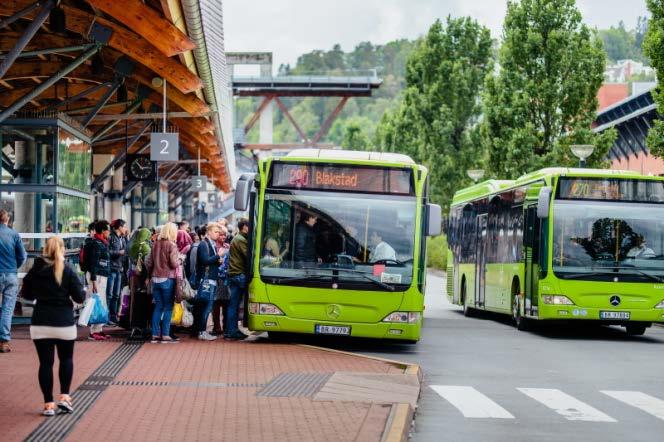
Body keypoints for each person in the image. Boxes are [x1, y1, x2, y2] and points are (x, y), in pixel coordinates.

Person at [21, 236, 85, 416]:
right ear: (62, 249)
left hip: (41, 322)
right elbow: (80, 297)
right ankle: (64, 397)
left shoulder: (36, 269)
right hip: (64, 322)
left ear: (45, 250)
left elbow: (26, 294)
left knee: (45, 364)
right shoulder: (68, 269)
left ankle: (48, 404)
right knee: (66, 360)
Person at [146, 222, 179, 344]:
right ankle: (165, 334)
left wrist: (150, 274)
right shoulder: (172, 245)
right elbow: (174, 264)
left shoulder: (155, 244)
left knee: (158, 307)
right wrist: (180, 260)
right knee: (168, 307)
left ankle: (154, 334)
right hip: (167, 278)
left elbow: (148, 262)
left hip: (155, 279)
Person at [0, 209, 27, 353]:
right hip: (10, 275)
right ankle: (4, 342)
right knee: (7, 308)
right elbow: (23, 256)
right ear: (7, 219)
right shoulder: (14, 234)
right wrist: (13, 267)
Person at [193, 223, 225, 341]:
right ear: (209, 232)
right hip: (206, 280)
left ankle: (201, 330)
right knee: (205, 306)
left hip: (210, 279)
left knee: (207, 306)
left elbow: (208, 261)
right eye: (216, 232)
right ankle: (201, 331)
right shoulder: (204, 244)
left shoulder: (209, 243)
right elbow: (205, 260)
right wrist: (218, 256)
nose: (218, 234)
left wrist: (217, 261)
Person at [84, 220, 111, 341]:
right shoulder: (96, 244)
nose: (109, 232)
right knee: (96, 302)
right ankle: (93, 331)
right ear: (103, 231)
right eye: (108, 230)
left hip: (102, 276)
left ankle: (98, 329)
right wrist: (93, 280)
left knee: (102, 302)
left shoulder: (102, 242)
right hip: (97, 276)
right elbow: (93, 263)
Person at [226, 218, 250, 340]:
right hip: (239, 274)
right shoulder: (240, 240)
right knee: (234, 305)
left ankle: (231, 330)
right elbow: (248, 256)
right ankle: (232, 331)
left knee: (233, 304)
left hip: (235, 274)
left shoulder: (237, 238)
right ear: (244, 227)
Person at [128, 228, 152, 338]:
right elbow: (148, 265)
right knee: (145, 302)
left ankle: (133, 325)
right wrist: (148, 277)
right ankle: (144, 326)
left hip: (134, 277)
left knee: (134, 302)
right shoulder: (146, 248)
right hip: (144, 279)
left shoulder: (133, 246)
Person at [107, 219, 128, 325]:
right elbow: (107, 252)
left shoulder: (123, 238)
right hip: (111, 268)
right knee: (109, 294)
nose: (125, 228)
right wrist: (119, 252)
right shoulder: (111, 237)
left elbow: (126, 251)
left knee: (116, 294)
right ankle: (108, 316)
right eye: (124, 226)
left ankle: (113, 316)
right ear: (119, 227)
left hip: (119, 268)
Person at [212, 226, 230, 336]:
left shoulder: (228, 246)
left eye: (225, 235)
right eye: (221, 234)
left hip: (226, 278)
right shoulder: (213, 247)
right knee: (216, 303)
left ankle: (226, 326)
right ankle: (216, 327)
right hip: (216, 278)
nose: (223, 236)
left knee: (226, 303)